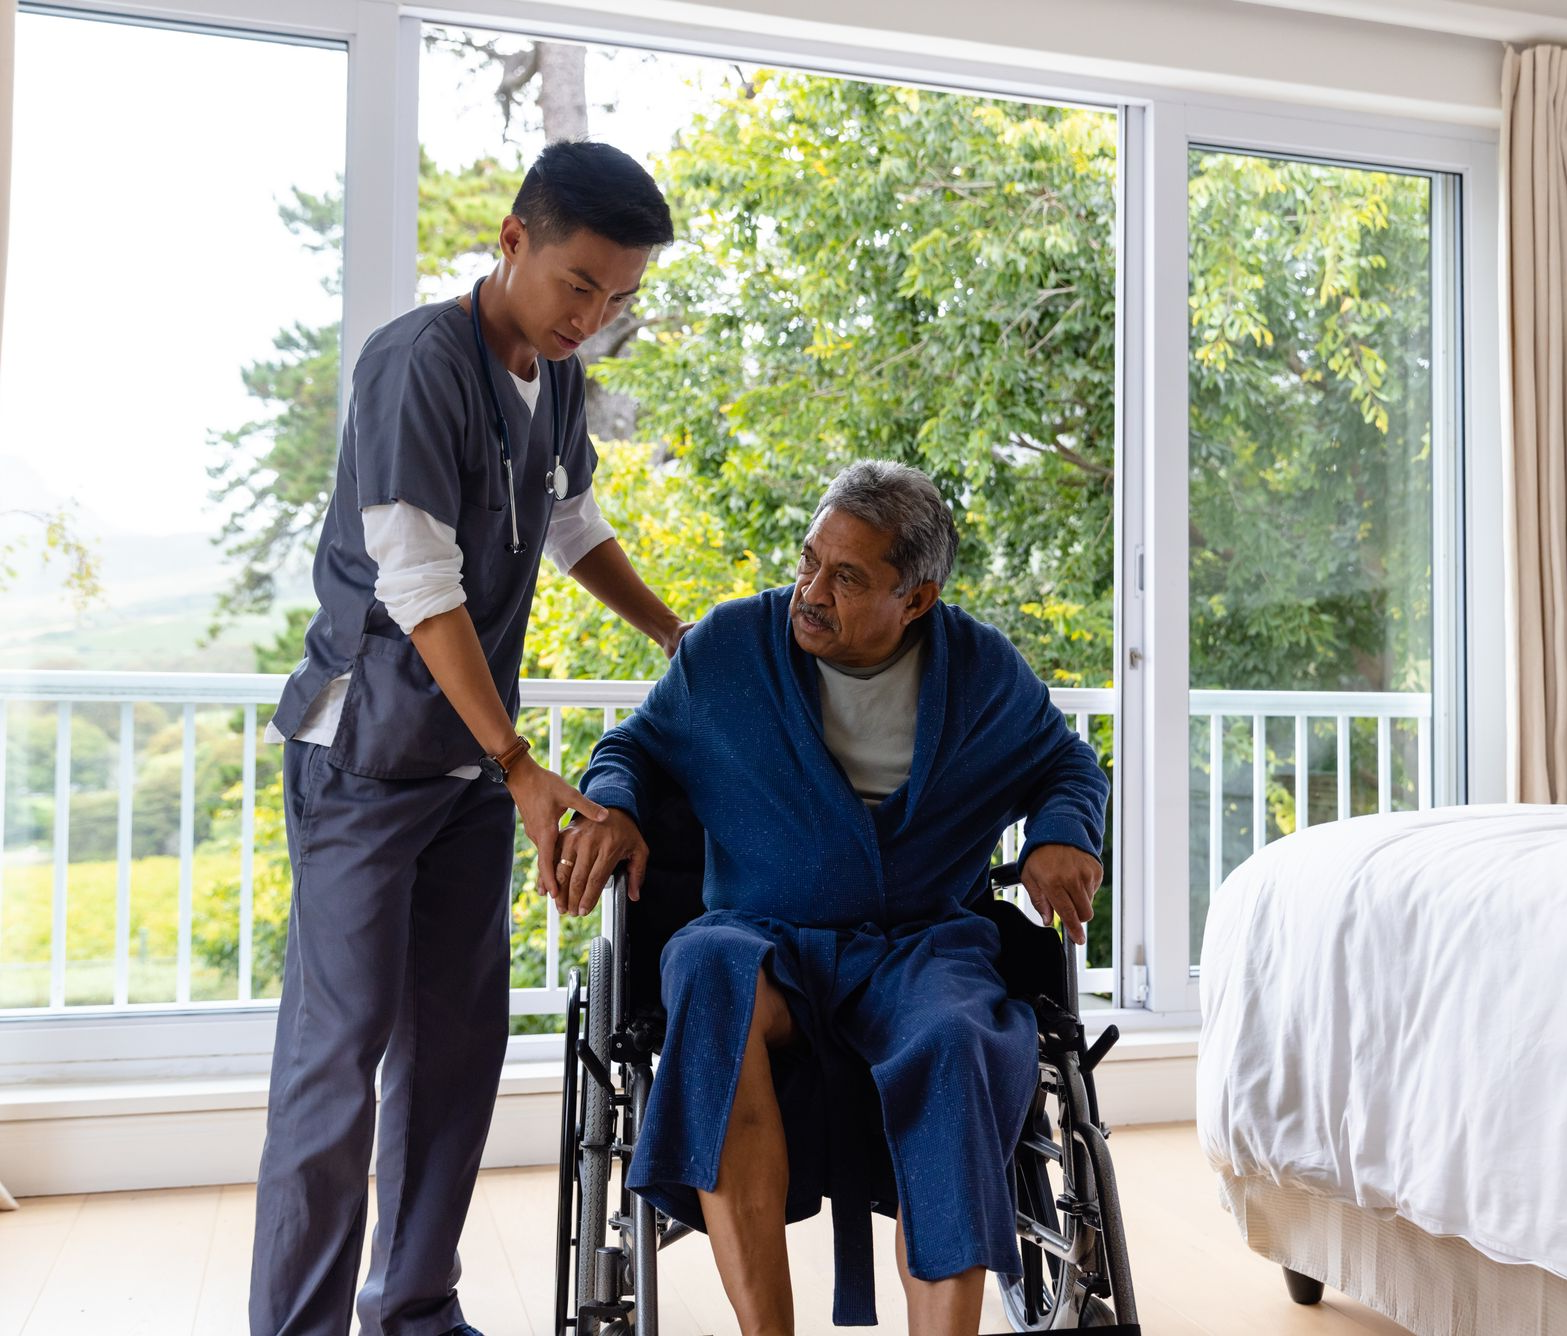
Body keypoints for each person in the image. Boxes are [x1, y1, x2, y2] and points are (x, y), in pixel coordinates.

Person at [248, 140, 689, 1336]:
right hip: (368, 759)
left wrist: (673, 632)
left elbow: (571, 522)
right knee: (338, 1065)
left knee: (455, 1052)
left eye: (619, 299)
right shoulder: (415, 364)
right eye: (579, 285)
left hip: (466, 774)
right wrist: (520, 766)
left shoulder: (556, 383)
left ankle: (414, 1308)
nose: (593, 317)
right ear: (513, 240)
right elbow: (420, 582)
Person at [563, 460, 1109, 1335]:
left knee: (961, 1038)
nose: (809, 591)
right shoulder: (731, 649)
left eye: (847, 577)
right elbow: (635, 748)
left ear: (917, 599)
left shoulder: (978, 671)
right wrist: (617, 807)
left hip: (925, 946)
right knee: (707, 971)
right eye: (809, 560)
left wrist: (1064, 832)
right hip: (762, 937)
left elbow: (1067, 763)